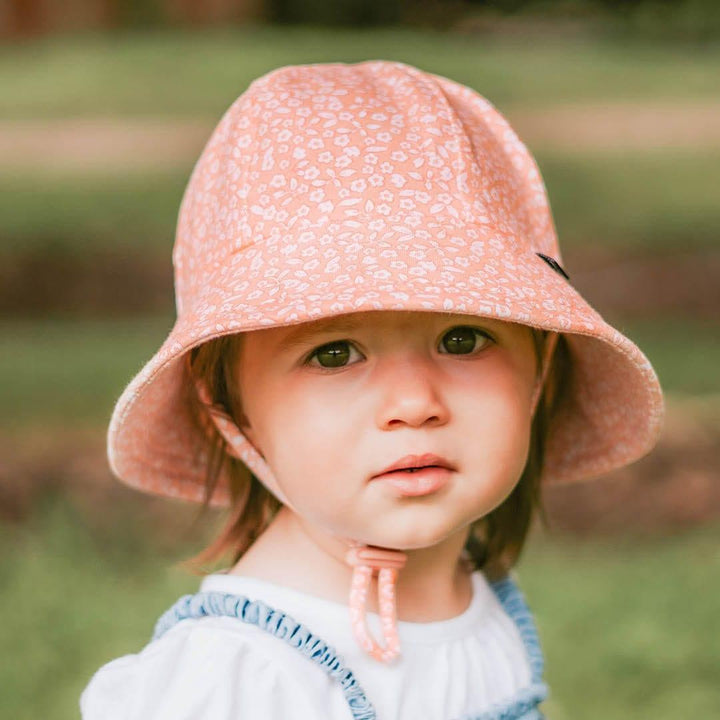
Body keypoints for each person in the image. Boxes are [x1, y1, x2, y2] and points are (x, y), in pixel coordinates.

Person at [79, 60, 664, 719]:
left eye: (464, 339)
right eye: (334, 353)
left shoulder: (479, 591)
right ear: (227, 409)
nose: (414, 403)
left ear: (542, 363)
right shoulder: (240, 675)